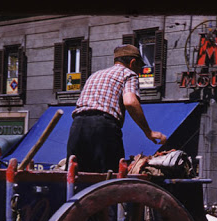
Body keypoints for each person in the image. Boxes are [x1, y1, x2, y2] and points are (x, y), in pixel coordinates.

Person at [67, 44, 167, 173]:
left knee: (78, 176)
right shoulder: (129, 74)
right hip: (103, 128)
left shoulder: (95, 75)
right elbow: (130, 102)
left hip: (77, 126)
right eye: (138, 67)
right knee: (109, 177)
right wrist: (149, 132)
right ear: (133, 62)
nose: (138, 71)